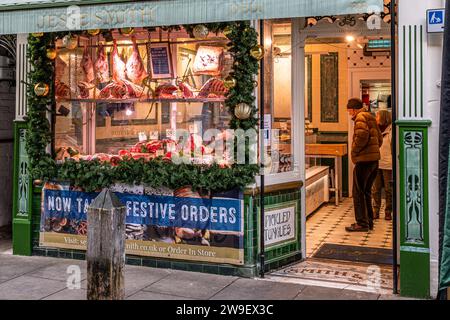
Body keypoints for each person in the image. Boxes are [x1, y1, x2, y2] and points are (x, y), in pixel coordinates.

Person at [345, 98, 383, 232]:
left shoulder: (360, 117)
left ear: (354, 109)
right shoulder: (370, 116)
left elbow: (362, 135)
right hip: (373, 161)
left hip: (364, 162)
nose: (349, 113)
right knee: (366, 191)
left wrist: (354, 151)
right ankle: (369, 221)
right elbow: (380, 138)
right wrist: (373, 151)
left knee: (358, 192)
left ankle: (361, 223)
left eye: (349, 110)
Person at [371, 110, 393, 220]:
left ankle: (388, 211)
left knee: (389, 190)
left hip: (388, 165)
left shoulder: (392, 131)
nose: (376, 118)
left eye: (377, 116)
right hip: (376, 163)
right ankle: (375, 211)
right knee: (375, 189)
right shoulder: (375, 130)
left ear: (383, 118)